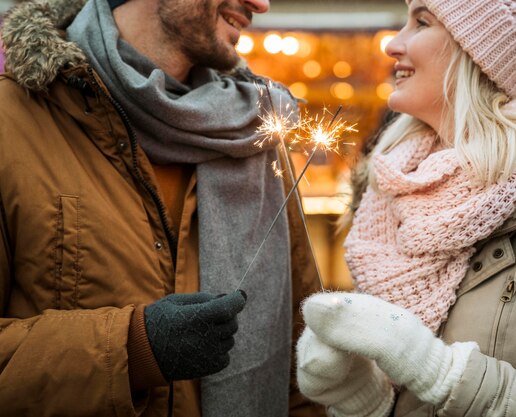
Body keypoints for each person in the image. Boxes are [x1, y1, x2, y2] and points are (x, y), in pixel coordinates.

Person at [296, 0, 516, 416]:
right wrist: (360, 399)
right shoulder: (395, 189)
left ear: (480, 54)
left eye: (422, 22)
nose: (393, 44)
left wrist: (443, 374)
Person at [0, 0, 325, 415]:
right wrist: (132, 349)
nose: (260, 3)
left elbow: (303, 370)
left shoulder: (252, 133)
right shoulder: (11, 122)